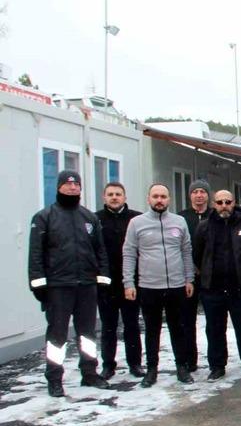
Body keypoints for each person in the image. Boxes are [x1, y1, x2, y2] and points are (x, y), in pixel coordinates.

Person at [28, 170, 111, 397]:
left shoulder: (89, 218)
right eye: (68, 184)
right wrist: (39, 285)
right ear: (59, 187)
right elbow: (36, 255)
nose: (73, 188)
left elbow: (100, 251)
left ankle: (90, 374)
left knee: (88, 334)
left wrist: (102, 280)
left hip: (86, 286)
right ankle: (54, 379)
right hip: (58, 287)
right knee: (57, 336)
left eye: (77, 185)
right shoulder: (44, 218)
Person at [123, 184, 196, 387]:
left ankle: (181, 367)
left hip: (176, 286)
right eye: (155, 196)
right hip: (149, 286)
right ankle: (152, 369)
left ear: (169, 199)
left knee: (178, 329)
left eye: (163, 196)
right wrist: (128, 282)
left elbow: (186, 251)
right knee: (152, 330)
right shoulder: (137, 223)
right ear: (149, 199)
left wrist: (188, 279)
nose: (159, 200)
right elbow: (129, 253)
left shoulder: (179, 222)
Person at [193, 190, 241, 383]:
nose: (224, 205)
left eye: (228, 202)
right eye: (220, 202)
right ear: (214, 204)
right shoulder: (204, 227)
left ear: (234, 203)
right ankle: (217, 367)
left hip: (240, 290)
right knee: (214, 330)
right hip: (213, 290)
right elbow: (197, 255)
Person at [95, 182, 145, 380]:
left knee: (132, 324)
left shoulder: (136, 218)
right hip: (106, 284)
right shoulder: (95, 220)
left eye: (118, 194)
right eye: (110, 194)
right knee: (108, 326)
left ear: (125, 197)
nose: (114, 197)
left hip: (131, 282)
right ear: (104, 197)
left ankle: (135, 363)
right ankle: (108, 365)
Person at [178, 179, 213, 372]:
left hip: (210, 277)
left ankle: (215, 360)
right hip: (188, 276)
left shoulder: (214, 216)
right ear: (190, 195)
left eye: (202, 191)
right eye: (195, 192)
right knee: (187, 320)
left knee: (213, 321)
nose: (199, 195)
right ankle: (189, 360)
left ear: (208, 195)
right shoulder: (181, 218)